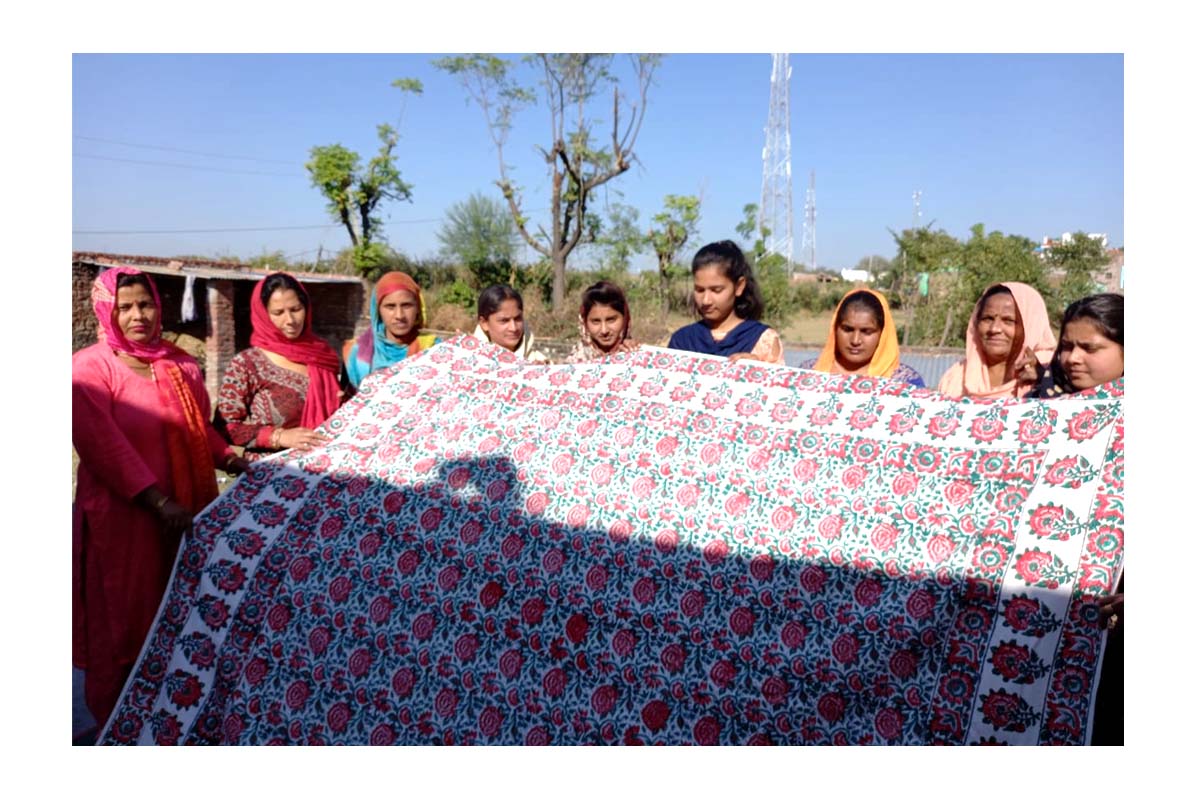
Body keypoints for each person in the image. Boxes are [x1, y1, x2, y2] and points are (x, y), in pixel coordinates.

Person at [73, 267, 248, 727]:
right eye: (124, 306)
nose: (137, 315)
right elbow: (104, 448)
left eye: (145, 304)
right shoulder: (88, 370)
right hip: (123, 522)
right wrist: (156, 502)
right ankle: (116, 724)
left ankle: (172, 720)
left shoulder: (179, 363)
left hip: (183, 513)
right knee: (124, 623)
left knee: (181, 614)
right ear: (105, 310)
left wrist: (235, 460)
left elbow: (198, 432)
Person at [1030, 293, 1124, 745]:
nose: (1072, 358)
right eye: (1067, 346)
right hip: (1054, 619)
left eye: (1091, 348)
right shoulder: (1043, 410)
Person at [216, 272, 343, 461]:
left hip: (325, 470)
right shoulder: (247, 364)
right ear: (263, 315)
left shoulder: (322, 356)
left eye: (296, 309)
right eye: (278, 313)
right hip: (271, 474)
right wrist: (279, 436)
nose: (290, 320)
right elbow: (225, 427)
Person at [667, 240, 785, 365]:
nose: (706, 300)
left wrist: (758, 369)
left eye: (716, 290)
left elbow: (779, 382)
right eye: (699, 290)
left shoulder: (763, 340)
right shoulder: (682, 340)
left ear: (739, 286)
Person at [936, 282, 1056, 399]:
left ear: (1030, 325)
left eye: (1008, 320)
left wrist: (1046, 381)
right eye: (987, 319)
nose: (995, 329)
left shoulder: (1053, 369)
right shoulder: (956, 378)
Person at [797, 288, 925, 386]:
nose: (855, 340)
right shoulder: (808, 374)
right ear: (835, 328)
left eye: (867, 332)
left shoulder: (905, 383)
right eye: (847, 329)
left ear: (882, 333)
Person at [344, 271, 441, 388]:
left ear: (418, 308)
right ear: (377, 310)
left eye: (407, 305)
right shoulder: (354, 352)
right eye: (390, 306)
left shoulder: (433, 350)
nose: (399, 316)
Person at [565, 280, 641, 363]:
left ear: (625, 319)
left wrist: (632, 355)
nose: (604, 331)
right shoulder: (574, 365)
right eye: (595, 321)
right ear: (584, 322)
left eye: (611, 320)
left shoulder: (637, 356)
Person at [472, 284, 549, 363]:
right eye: (504, 321)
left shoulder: (541, 363)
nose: (513, 328)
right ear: (484, 323)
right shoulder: (470, 362)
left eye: (517, 319)